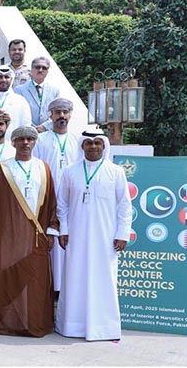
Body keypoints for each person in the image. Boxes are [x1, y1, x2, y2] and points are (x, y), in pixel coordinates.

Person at [56, 131, 131, 341]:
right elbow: (62, 204)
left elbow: (125, 205)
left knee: (104, 279)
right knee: (74, 278)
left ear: (104, 146)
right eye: (89, 143)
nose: (93, 146)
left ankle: (103, 328)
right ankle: (72, 327)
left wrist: (123, 233)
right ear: (82, 146)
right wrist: (64, 230)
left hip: (106, 237)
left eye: (97, 143)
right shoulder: (70, 172)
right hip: (76, 236)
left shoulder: (115, 172)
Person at [0, 125, 59, 337]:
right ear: (13, 143)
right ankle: (9, 323)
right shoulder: (3, 168)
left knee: (36, 280)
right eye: (21, 139)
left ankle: (35, 322)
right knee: (9, 277)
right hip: (10, 234)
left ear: (35, 142)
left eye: (29, 139)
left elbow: (51, 201)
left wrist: (51, 229)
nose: (25, 143)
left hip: (37, 234)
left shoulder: (43, 168)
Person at [34, 98, 82, 295]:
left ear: (70, 115)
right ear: (51, 115)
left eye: (65, 112)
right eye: (58, 112)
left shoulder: (78, 140)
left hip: (72, 199)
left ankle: (68, 287)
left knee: (70, 240)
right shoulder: (41, 140)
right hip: (48, 197)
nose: (61, 116)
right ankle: (52, 288)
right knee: (51, 241)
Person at [13, 56, 61, 132]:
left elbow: (57, 112)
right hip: (26, 132)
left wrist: (44, 126)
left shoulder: (55, 91)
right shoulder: (19, 90)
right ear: (31, 70)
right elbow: (18, 112)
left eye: (44, 68)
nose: (40, 70)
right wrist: (32, 128)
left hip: (48, 131)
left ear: (47, 72)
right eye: (37, 67)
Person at [0, 65, 33, 139]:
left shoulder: (20, 101)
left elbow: (26, 125)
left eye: (6, 77)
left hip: (14, 143)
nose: (3, 80)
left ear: (11, 79)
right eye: (0, 77)